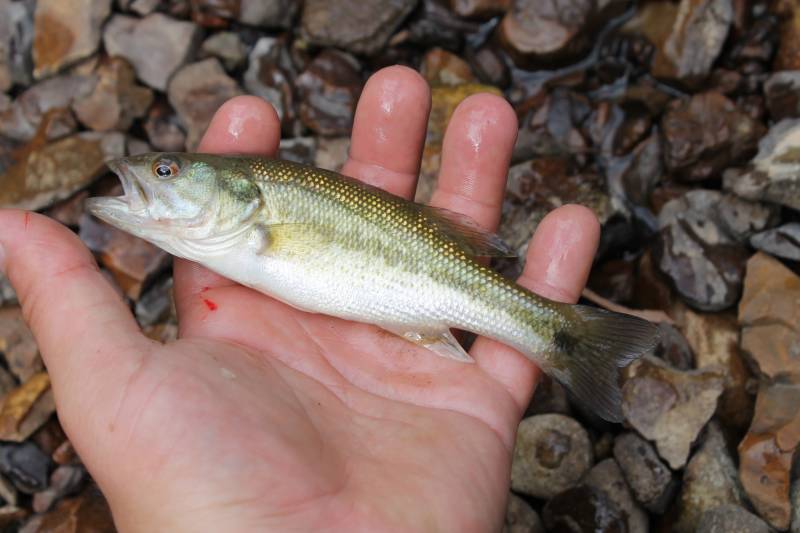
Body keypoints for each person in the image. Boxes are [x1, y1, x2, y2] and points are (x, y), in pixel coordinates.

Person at [0, 67, 599, 531]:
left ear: (242, 196)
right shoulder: (235, 231)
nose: (150, 177)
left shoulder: (257, 216)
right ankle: (563, 336)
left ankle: (561, 336)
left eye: (165, 172)